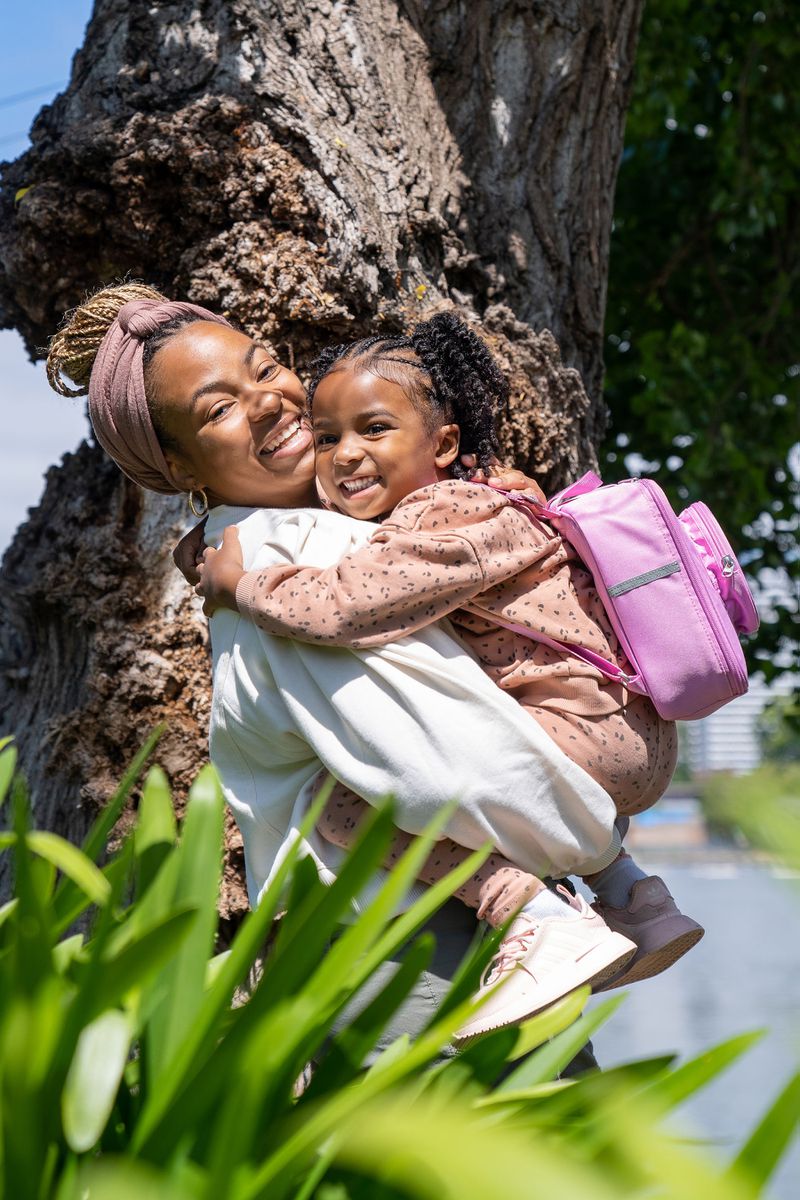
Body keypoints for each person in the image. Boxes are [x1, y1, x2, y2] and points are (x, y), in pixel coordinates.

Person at [46, 283, 634, 1044]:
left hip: (410, 945)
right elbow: (441, 770)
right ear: (181, 467)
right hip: (415, 955)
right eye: (219, 410)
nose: (267, 403)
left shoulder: (300, 546)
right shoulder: (294, 561)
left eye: (264, 369)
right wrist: (591, 839)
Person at [192, 312, 704, 1037]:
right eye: (329, 437)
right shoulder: (496, 499)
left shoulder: (445, 514)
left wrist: (240, 586)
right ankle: (636, 901)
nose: (344, 456)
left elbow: (349, 603)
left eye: (374, 430)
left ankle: (529, 917)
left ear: (444, 443)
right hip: (624, 737)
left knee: (338, 802)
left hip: (581, 739)